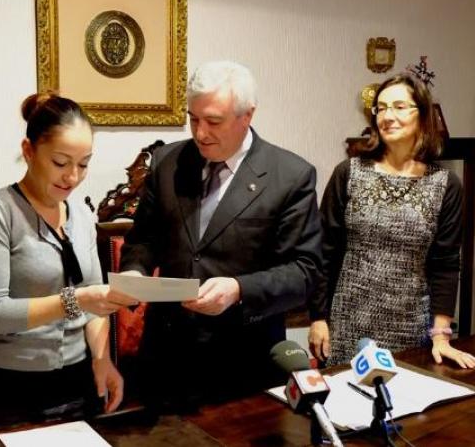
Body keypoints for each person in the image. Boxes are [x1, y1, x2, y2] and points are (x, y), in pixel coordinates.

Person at [119, 60, 323, 408]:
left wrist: (239, 288)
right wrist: (134, 272)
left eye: (213, 121)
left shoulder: (290, 176)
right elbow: (143, 240)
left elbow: (304, 272)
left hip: (243, 360)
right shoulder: (168, 162)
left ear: (247, 116)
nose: (200, 133)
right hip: (166, 357)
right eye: (192, 118)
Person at [0, 93, 138, 433]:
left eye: (84, 164)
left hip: (77, 383)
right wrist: (75, 301)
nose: (72, 177)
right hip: (10, 390)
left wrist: (102, 359)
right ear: (29, 152)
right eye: (60, 162)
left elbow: (95, 301)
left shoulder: (82, 216)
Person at [308, 73, 475, 369]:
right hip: (347, 326)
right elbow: (323, 252)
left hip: (411, 329)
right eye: (381, 108)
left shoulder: (445, 184)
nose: (388, 116)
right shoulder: (348, 173)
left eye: (399, 106)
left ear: (422, 115)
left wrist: (441, 335)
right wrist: (318, 318)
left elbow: (446, 264)